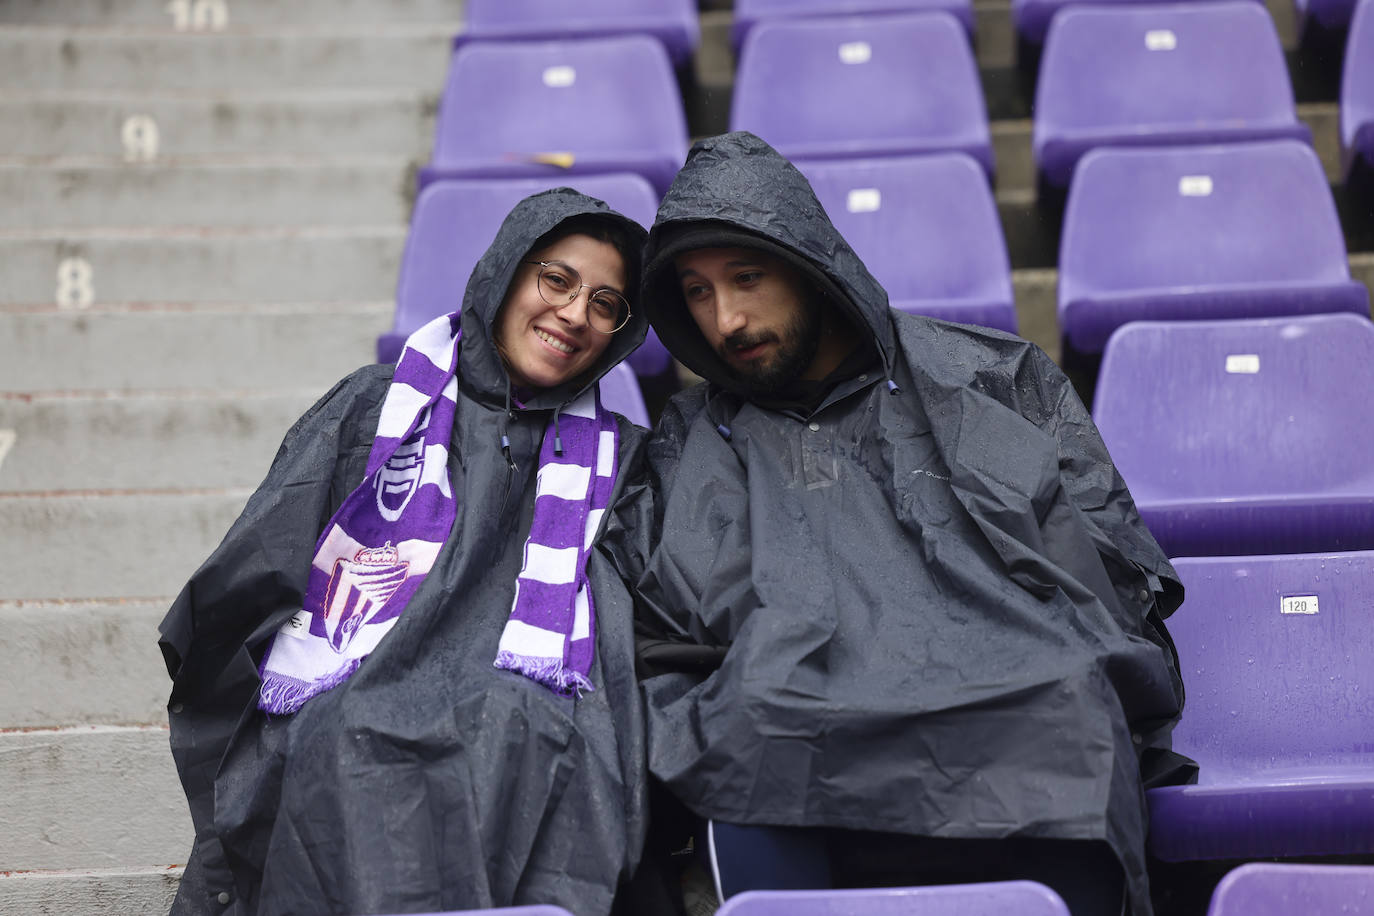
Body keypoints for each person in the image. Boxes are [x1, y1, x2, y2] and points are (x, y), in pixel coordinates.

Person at [600, 132, 1194, 916]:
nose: (727, 319)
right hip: (791, 715)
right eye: (698, 293)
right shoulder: (693, 438)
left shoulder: (982, 376)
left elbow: (1102, 568)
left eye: (747, 278)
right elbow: (664, 626)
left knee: (1068, 698)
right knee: (745, 727)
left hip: (1008, 694)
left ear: (810, 267)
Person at [159, 189, 652, 915]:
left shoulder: (622, 465)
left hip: (528, 720)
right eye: (558, 281)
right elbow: (253, 577)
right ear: (506, 274)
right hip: (350, 709)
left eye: (607, 304)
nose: (577, 315)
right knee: (341, 736)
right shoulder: (375, 408)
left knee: (532, 737)